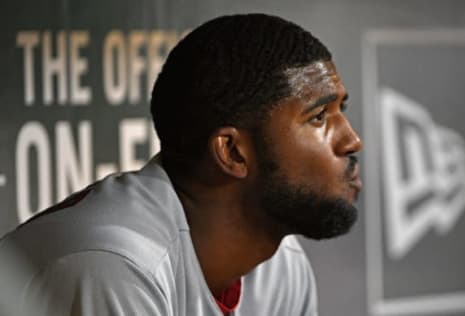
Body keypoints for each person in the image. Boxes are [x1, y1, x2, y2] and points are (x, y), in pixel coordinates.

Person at [0, 13, 362, 316]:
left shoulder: (280, 264)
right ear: (233, 152)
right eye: (318, 118)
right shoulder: (116, 264)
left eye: (339, 111)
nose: (352, 140)